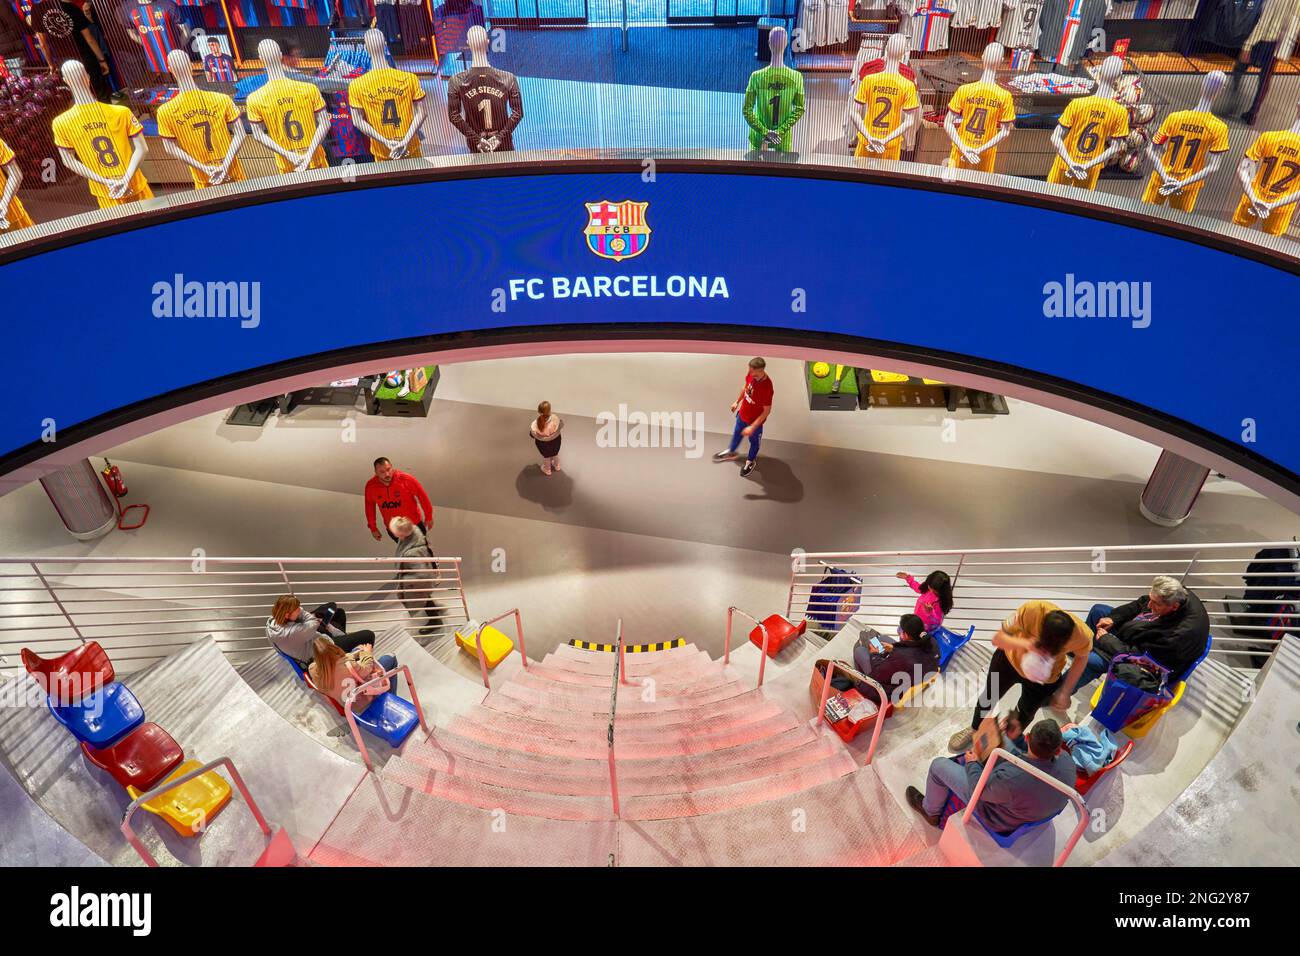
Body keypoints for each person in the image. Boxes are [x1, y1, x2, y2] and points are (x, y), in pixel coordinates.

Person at [947, 601, 1092, 753]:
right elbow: (998, 638)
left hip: (1044, 678)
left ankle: (1007, 743)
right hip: (1009, 661)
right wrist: (1026, 644)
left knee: (1025, 713)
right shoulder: (1031, 611)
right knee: (989, 697)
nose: (1045, 654)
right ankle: (975, 727)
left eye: (1052, 651)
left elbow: (1082, 657)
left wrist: (1065, 691)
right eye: (1043, 647)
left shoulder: (1081, 635)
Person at [907, 718, 1076, 832]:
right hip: (1033, 804)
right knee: (1001, 737)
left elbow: (979, 790)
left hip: (998, 815)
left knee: (938, 766)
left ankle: (931, 812)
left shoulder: (1012, 779)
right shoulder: (1068, 761)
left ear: (1028, 738)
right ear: (1058, 747)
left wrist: (972, 763)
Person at [1078, 575, 1211, 686]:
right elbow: (1140, 603)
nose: (1149, 605)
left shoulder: (1175, 637)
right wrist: (1114, 619)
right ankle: (1081, 648)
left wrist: (1106, 640)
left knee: (1091, 661)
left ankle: (1061, 692)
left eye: (1155, 603)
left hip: (1148, 664)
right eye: (1151, 599)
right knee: (1099, 611)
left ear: (1174, 607)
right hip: (1142, 636)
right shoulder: (1175, 594)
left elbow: (1139, 656)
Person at [852, 613, 940, 707]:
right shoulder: (932, 642)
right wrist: (894, 648)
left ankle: (862, 681)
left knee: (860, 651)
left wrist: (875, 654)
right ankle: (881, 653)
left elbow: (878, 673)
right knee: (883, 638)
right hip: (915, 674)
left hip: (892, 690)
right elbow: (913, 653)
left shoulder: (902, 657)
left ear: (906, 634)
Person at [266, 595, 376, 665]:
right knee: (368, 635)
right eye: (297, 609)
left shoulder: (272, 623)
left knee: (339, 613)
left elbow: (308, 619)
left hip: (311, 640)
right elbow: (313, 622)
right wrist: (310, 618)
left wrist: (304, 617)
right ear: (287, 615)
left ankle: (345, 648)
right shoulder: (292, 633)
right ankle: (354, 660)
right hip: (321, 652)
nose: (300, 610)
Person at [712, 357, 773, 479]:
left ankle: (750, 461)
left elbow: (767, 411)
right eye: (750, 371)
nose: (751, 374)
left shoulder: (767, 388)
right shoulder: (751, 374)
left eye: (754, 373)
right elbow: (746, 388)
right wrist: (737, 401)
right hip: (742, 415)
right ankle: (731, 452)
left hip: (754, 424)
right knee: (736, 434)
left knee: (754, 444)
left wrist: (752, 427)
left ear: (761, 371)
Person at [307, 636, 399, 710]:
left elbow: (338, 662)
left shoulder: (313, 670)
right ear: (333, 648)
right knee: (391, 657)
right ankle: (391, 699)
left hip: (347, 705)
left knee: (357, 648)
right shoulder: (347, 664)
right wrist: (367, 653)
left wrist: (356, 653)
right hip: (363, 702)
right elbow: (367, 669)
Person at [391, 515, 442, 633]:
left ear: (402, 534)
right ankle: (435, 611)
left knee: (422, 596)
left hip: (418, 581)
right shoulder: (413, 534)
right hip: (420, 577)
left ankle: (436, 621)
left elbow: (420, 574)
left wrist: (406, 580)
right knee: (424, 596)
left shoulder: (412, 552)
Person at [364, 456, 434, 543]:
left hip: (414, 525)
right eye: (382, 472)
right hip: (394, 529)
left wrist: (429, 516)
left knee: (421, 551)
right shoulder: (371, 486)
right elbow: (369, 507)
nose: (387, 474)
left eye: (388, 469)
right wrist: (373, 528)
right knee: (407, 553)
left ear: (392, 467)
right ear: (376, 473)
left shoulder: (406, 480)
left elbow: (422, 497)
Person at [895, 569, 953, 633]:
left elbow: (937, 622)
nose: (930, 590)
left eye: (934, 590)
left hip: (925, 629)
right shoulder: (927, 589)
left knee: (904, 633)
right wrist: (908, 578)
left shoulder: (940, 601)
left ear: (941, 590)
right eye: (929, 587)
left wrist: (930, 612)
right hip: (916, 621)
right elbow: (918, 588)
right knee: (900, 630)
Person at [529, 400, 563, 475]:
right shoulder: (555, 418)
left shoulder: (536, 423)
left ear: (539, 411)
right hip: (555, 442)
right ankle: (557, 466)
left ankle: (547, 470)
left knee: (546, 456)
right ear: (550, 410)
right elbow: (560, 425)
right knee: (555, 453)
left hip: (543, 444)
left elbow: (532, 434)